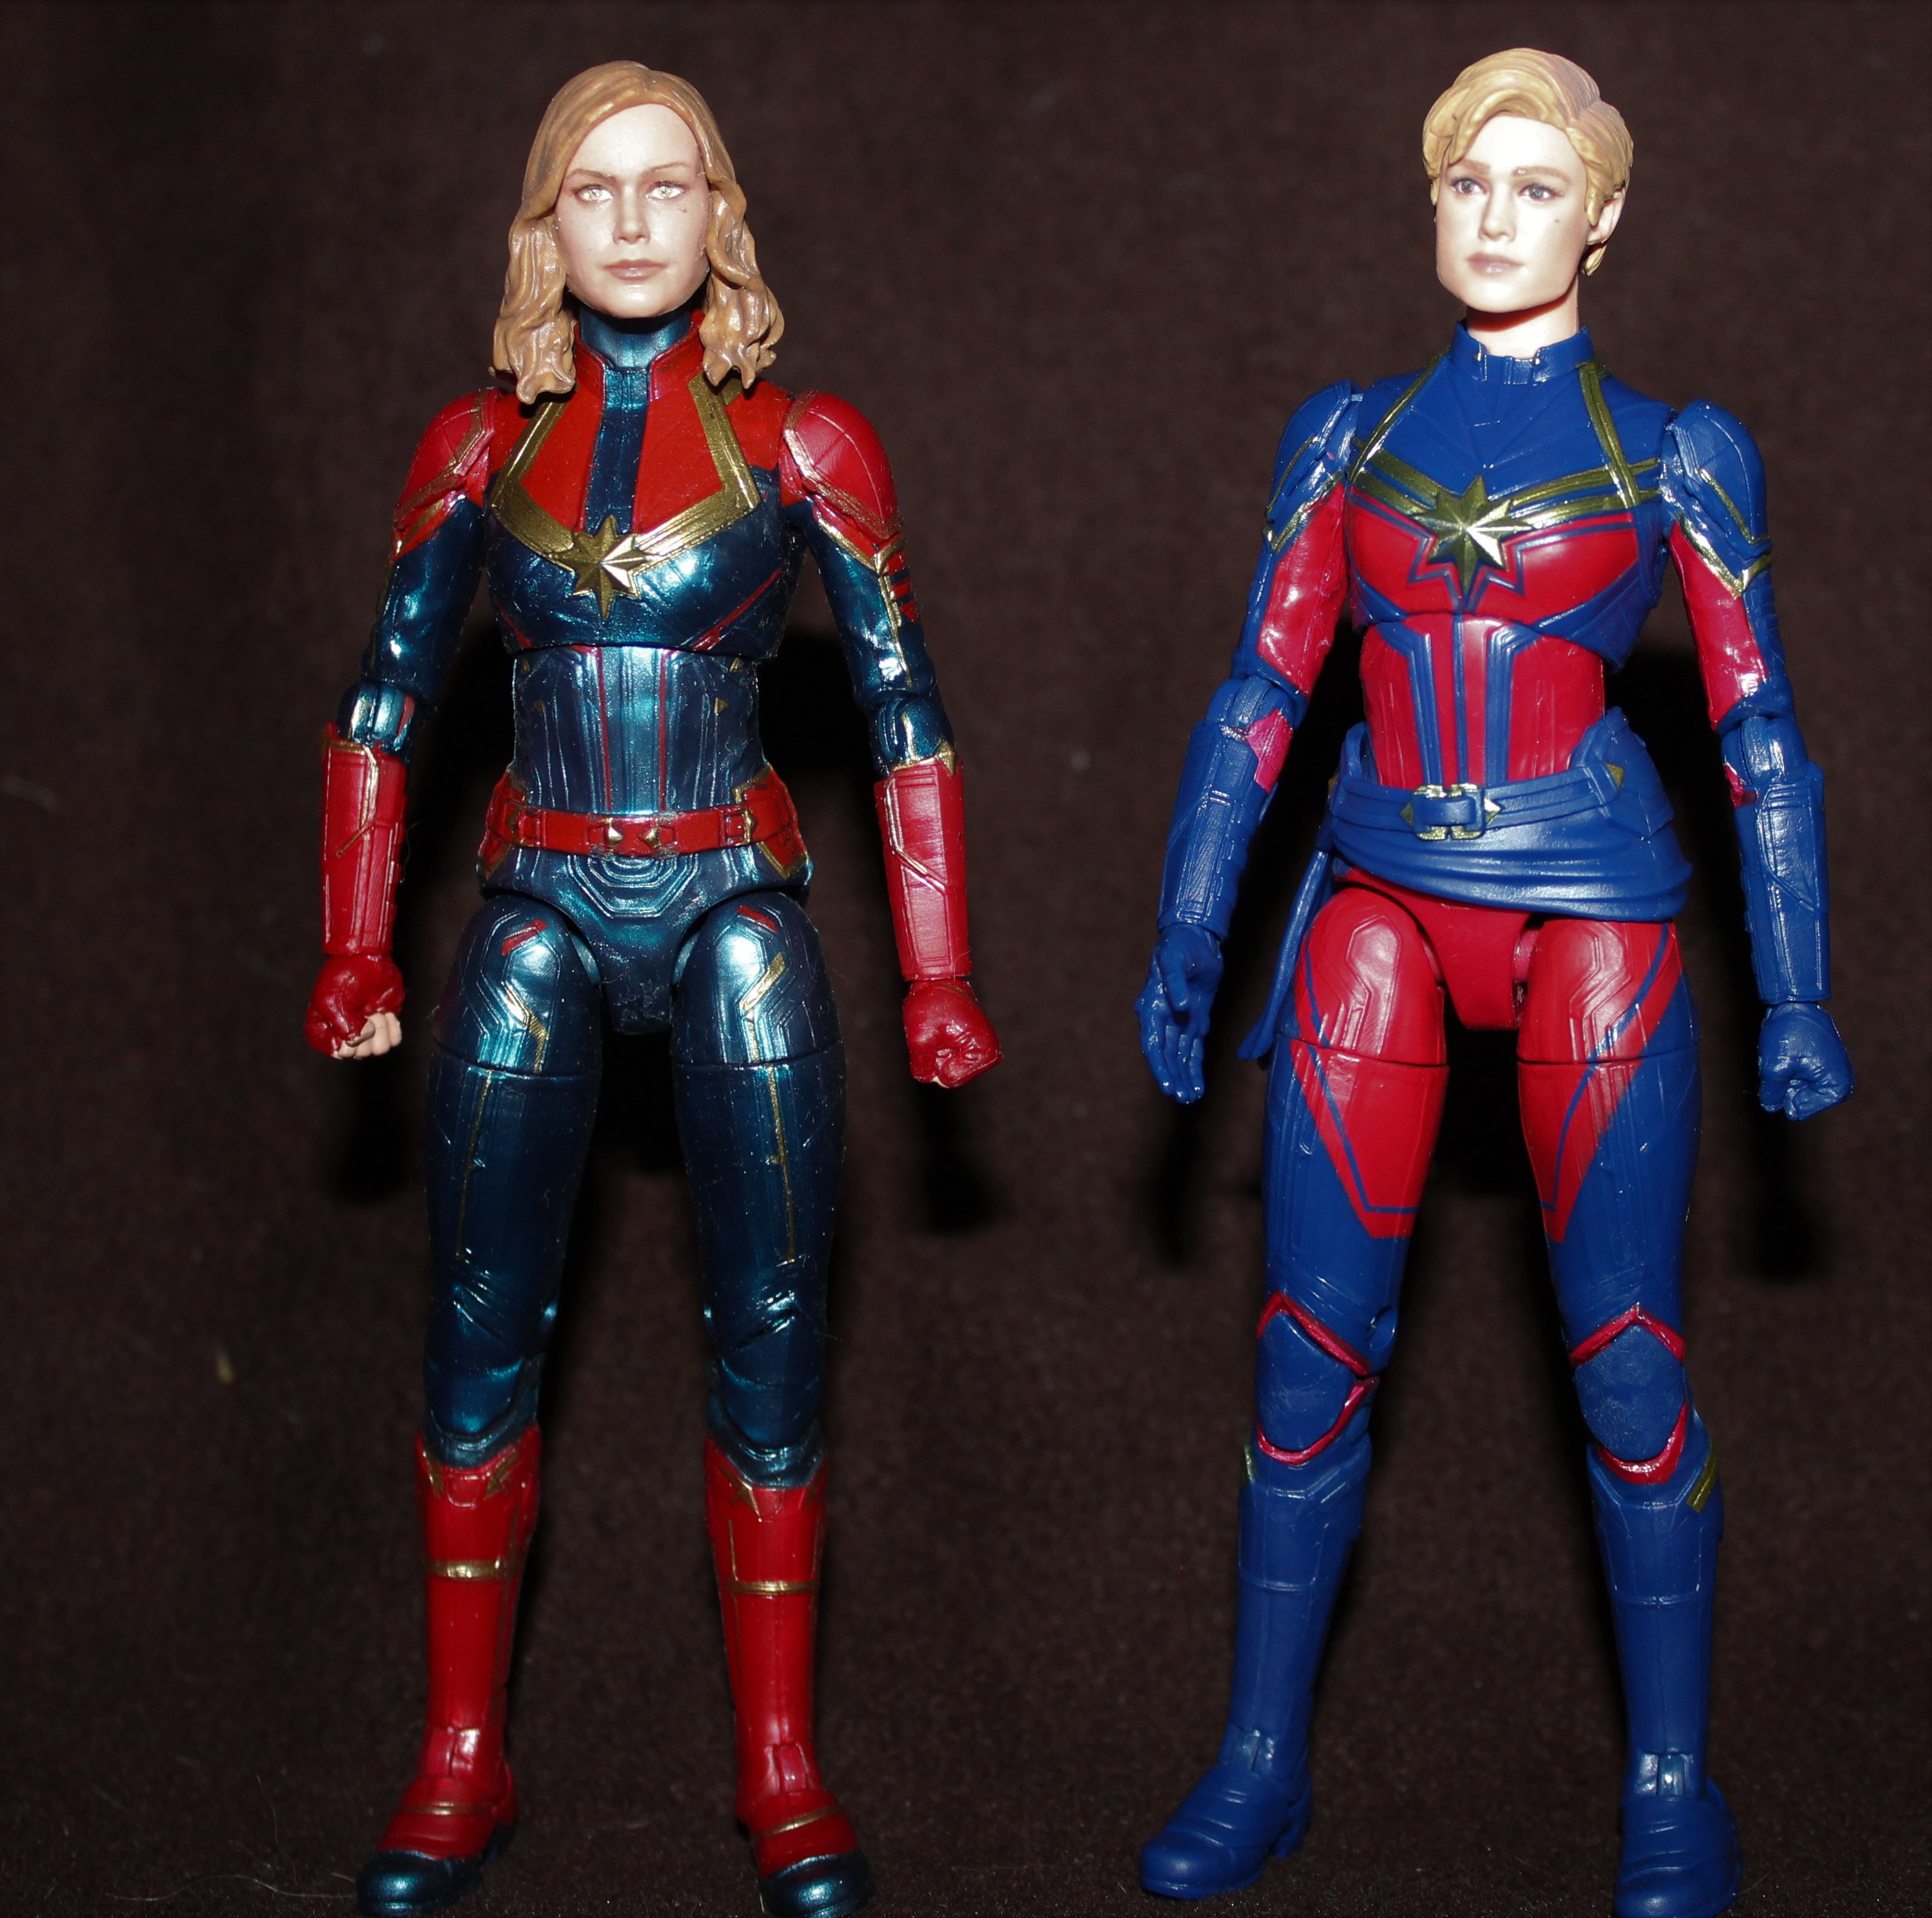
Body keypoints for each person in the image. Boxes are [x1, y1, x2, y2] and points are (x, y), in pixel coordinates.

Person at [1134, 47, 1849, 1918]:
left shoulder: (1674, 451)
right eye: (1467, 182)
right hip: (1376, 890)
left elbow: (1760, 728)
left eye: (1536, 188)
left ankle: (1671, 1776)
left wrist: (1794, 984)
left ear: (1601, 218)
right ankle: (1262, 1753)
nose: (1494, 216)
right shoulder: (1345, 436)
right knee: (1306, 1352)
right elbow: (1263, 687)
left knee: (1627, 1360)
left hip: (1592, 903)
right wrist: (1193, 919)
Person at [304, 60, 999, 1918]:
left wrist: (938, 973)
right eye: (592, 188)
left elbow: (903, 710)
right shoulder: (478, 445)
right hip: (535, 899)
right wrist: (354, 941)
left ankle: (780, 1766)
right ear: (545, 221)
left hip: (729, 900)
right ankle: (461, 1752)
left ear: (722, 216)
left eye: (666, 184)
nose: (629, 220)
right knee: (477, 1332)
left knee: (771, 1332)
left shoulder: (804, 445)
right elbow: (385, 700)